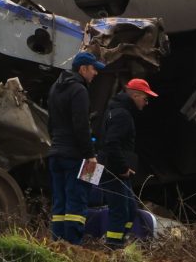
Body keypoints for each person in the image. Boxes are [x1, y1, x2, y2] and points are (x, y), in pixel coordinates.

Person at [48, 51, 105, 244]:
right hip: (75, 156)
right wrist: (90, 155)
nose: (95, 73)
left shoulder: (55, 88)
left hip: (56, 154)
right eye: (93, 69)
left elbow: (50, 123)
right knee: (77, 202)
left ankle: (56, 245)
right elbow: (81, 126)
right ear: (83, 69)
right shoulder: (80, 90)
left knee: (59, 203)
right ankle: (73, 248)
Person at [98, 77, 159, 249]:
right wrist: (122, 168)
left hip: (113, 169)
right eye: (145, 98)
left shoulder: (114, 110)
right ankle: (113, 247)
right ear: (135, 95)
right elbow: (112, 143)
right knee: (120, 211)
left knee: (130, 209)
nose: (146, 103)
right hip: (114, 171)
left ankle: (121, 241)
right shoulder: (122, 115)